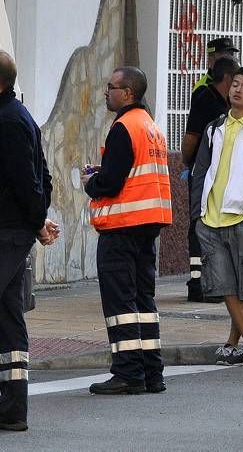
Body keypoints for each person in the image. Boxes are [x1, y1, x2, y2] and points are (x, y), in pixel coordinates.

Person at [0, 50, 60, 432]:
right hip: (13, 227)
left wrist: (36, 219)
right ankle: (12, 405)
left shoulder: (6, 121)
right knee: (8, 316)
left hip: (5, 231)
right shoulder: (7, 115)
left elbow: (28, 180)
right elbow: (40, 174)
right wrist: (37, 220)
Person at [82, 66, 172, 394]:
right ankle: (152, 373)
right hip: (147, 224)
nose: (107, 92)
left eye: (112, 87)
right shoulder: (150, 127)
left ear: (128, 94)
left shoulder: (123, 126)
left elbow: (112, 181)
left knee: (120, 303)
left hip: (122, 225)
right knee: (143, 301)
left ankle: (127, 372)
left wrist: (92, 182)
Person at [190, 67, 243, 366]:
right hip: (210, 218)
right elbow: (201, 170)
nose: (238, 89)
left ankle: (235, 342)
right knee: (226, 285)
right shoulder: (215, 127)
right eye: (235, 84)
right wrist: (196, 214)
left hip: (242, 217)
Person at [181, 54, 240, 302]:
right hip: (204, 172)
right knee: (200, 223)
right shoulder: (205, 97)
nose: (238, 87)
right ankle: (198, 282)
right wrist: (189, 163)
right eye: (235, 81)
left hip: (225, 173)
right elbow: (192, 136)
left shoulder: (229, 103)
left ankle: (225, 281)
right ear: (226, 78)